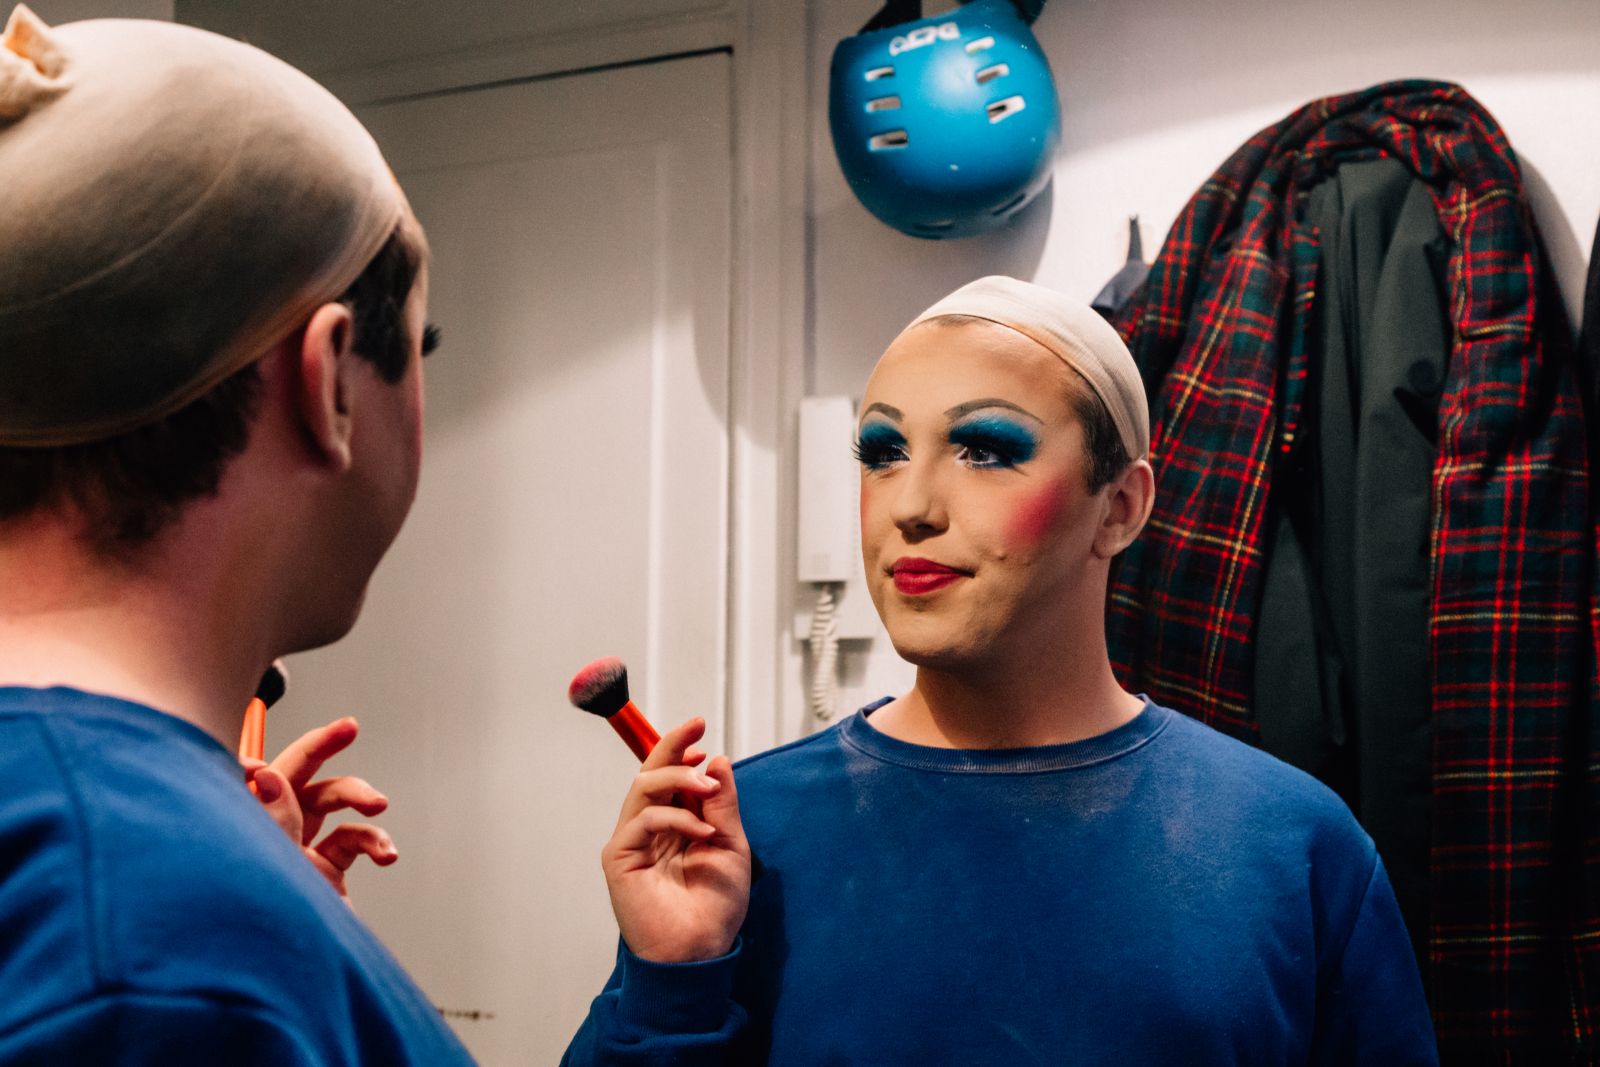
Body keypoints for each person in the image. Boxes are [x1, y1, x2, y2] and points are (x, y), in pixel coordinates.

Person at [564, 276, 1440, 1064]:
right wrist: (674, 983)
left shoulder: (1292, 846)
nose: (910, 506)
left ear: (1121, 506)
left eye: (984, 449)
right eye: (882, 453)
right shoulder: (742, 843)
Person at [0, 7, 472, 1063]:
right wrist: (227, 938)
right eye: (421, 344)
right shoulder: (150, 942)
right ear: (331, 377)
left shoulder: (131, 897)